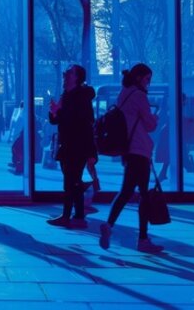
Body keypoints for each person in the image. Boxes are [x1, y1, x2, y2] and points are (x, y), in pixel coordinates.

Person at [99, 64, 162, 253]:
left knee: (126, 191)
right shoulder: (140, 96)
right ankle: (142, 238)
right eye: (147, 79)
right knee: (143, 195)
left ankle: (109, 226)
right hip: (140, 149)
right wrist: (156, 118)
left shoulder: (123, 93)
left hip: (127, 149)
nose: (148, 83)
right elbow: (150, 124)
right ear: (139, 78)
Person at [46, 65, 97, 228]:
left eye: (69, 73)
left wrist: (58, 113)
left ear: (77, 77)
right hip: (69, 143)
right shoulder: (67, 95)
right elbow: (58, 120)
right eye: (65, 73)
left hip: (76, 144)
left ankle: (69, 216)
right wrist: (54, 112)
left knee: (70, 181)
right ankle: (78, 216)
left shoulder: (79, 96)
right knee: (72, 181)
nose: (65, 75)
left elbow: (83, 122)